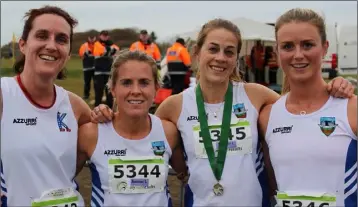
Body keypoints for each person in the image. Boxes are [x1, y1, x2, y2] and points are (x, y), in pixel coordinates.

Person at [91, 19, 354, 207]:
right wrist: (106, 112)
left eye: (229, 52)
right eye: (213, 49)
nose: (221, 57)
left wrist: (333, 86)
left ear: (236, 58)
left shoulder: (256, 95)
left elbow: (298, 109)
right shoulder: (174, 106)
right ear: (197, 53)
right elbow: (140, 134)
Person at [258, 8, 357, 207]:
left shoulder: (351, 108)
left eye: (308, 45)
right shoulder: (267, 116)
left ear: (325, 48)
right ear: (277, 52)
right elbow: (273, 184)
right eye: (287, 46)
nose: (298, 55)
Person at [0, 6, 91, 206]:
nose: (51, 45)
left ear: (67, 54)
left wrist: (105, 114)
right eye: (42, 36)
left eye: (61, 39)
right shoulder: (4, 94)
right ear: (23, 45)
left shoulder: (76, 107)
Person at [76, 50, 187, 206]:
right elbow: (59, 177)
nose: (135, 91)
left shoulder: (168, 132)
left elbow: (190, 174)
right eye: (126, 82)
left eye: (144, 82)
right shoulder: (90, 134)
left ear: (156, 87)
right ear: (113, 88)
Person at [93, 30, 120, 108]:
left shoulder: (113, 45)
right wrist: (110, 52)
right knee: (99, 91)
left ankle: (110, 108)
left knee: (109, 91)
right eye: (103, 35)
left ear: (108, 37)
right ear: (100, 36)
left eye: (106, 35)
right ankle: (97, 108)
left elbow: (117, 51)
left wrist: (109, 51)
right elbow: (99, 52)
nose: (104, 37)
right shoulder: (96, 44)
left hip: (109, 71)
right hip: (99, 71)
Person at [79, 34, 96, 100]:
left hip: (96, 68)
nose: (91, 39)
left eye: (93, 38)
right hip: (87, 67)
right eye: (90, 38)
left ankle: (97, 95)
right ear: (88, 38)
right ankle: (86, 95)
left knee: (96, 83)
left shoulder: (97, 45)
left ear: (95, 38)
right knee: (87, 83)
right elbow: (81, 55)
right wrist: (85, 54)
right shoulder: (84, 46)